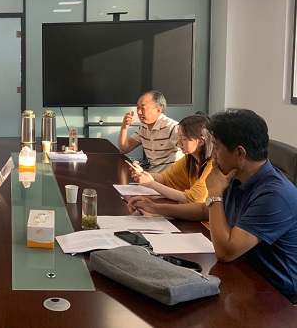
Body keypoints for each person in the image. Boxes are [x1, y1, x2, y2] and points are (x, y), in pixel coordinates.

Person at [127, 109, 297, 300]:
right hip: (241, 272)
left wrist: (215, 193)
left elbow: (226, 252)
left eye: (216, 147)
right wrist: (157, 208)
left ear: (239, 153)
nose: (213, 155)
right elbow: (204, 210)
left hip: (274, 293)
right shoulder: (236, 175)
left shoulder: (274, 195)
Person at [128, 114, 213, 203]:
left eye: (184, 139)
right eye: (179, 137)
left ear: (201, 141)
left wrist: (151, 183)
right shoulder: (190, 158)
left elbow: (192, 199)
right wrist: (142, 173)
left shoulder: (212, 165)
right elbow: (166, 178)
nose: (179, 143)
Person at [118, 90, 183, 172]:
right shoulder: (143, 128)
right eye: (138, 107)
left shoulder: (173, 128)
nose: (139, 112)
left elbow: (191, 152)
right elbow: (124, 149)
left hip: (168, 177)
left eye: (143, 108)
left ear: (158, 110)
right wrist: (124, 127)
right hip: (152, 175)